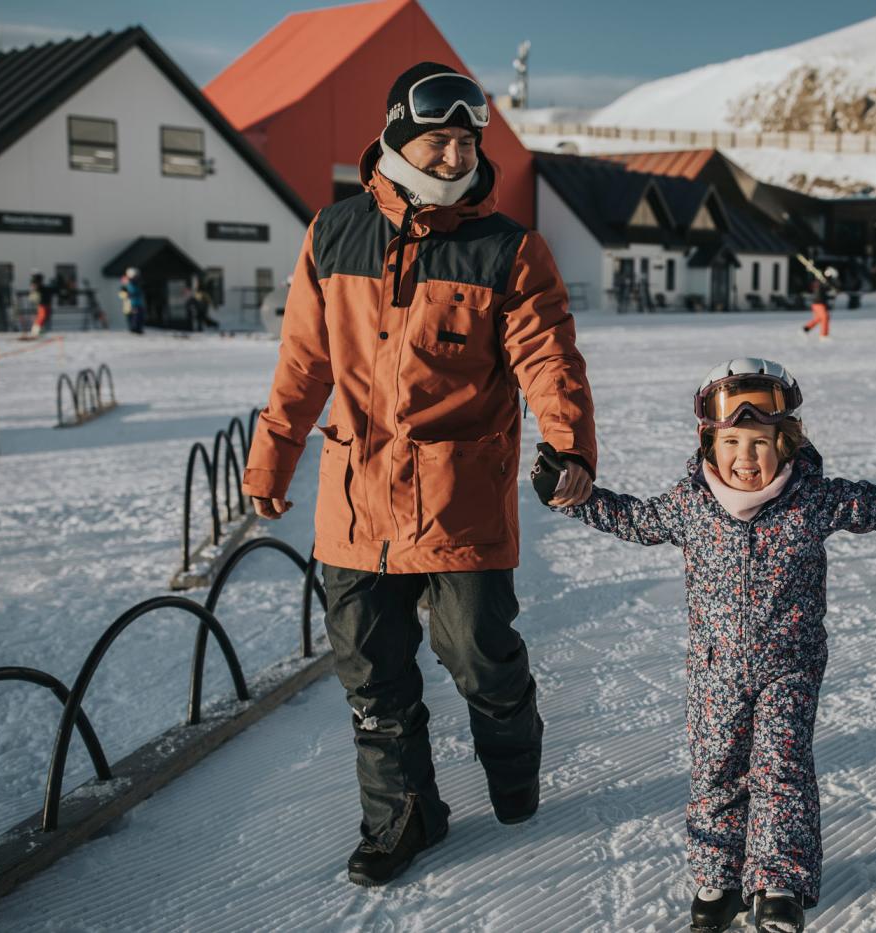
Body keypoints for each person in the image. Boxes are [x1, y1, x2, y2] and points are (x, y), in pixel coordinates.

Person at [241, 62, 597, 887]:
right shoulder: (333, 233)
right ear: (400, 134)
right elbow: (302, 359)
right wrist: (275, 451)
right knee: (372, 672)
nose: (452, 155)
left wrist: (570, 444)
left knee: (479, 656)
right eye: (438, 139)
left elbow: (549, 356)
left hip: (459, 499)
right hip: (355, 504)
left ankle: (513, 759)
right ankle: (403, 814)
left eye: (465, 141)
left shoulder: (507, 248)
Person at [544, 358, 876, 933]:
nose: (745, 458)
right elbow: (633, 518)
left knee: (781, 768)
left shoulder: (812, 498)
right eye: (732, 441)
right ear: (710, 443)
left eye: (760, 442)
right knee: (715, 771)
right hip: (714, 670)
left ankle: (777, 883)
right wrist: (572, 495)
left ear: (788, 444)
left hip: (790, 666)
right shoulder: (691, 505)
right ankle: (718, 879)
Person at [801, 269, 836, 339]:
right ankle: (824, 335)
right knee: (825, 318)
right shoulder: (822, 283)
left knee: (818, 318)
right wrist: (831, 293)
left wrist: (831, 295)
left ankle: (806, 328)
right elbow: (821, 293)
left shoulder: (822, 283)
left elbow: (824, 293)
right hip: (819, 303)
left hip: (817, 303)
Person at [27, 271, 53, 337]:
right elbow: (35, 291)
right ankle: (36, 331)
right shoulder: (36, 285)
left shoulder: (39, 286)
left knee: (44, 316)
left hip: (45, 303)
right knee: (42, 316)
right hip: (42, 303)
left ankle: (39, 330)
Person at [121, 268, 145, 334]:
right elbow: (122, 294)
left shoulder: (137, 283)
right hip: (130, 304)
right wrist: (127, 296)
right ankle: (134, 329)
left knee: (139, 317)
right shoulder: (127, 283)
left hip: (137, 303)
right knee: (133, 318)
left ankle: (138, 329)